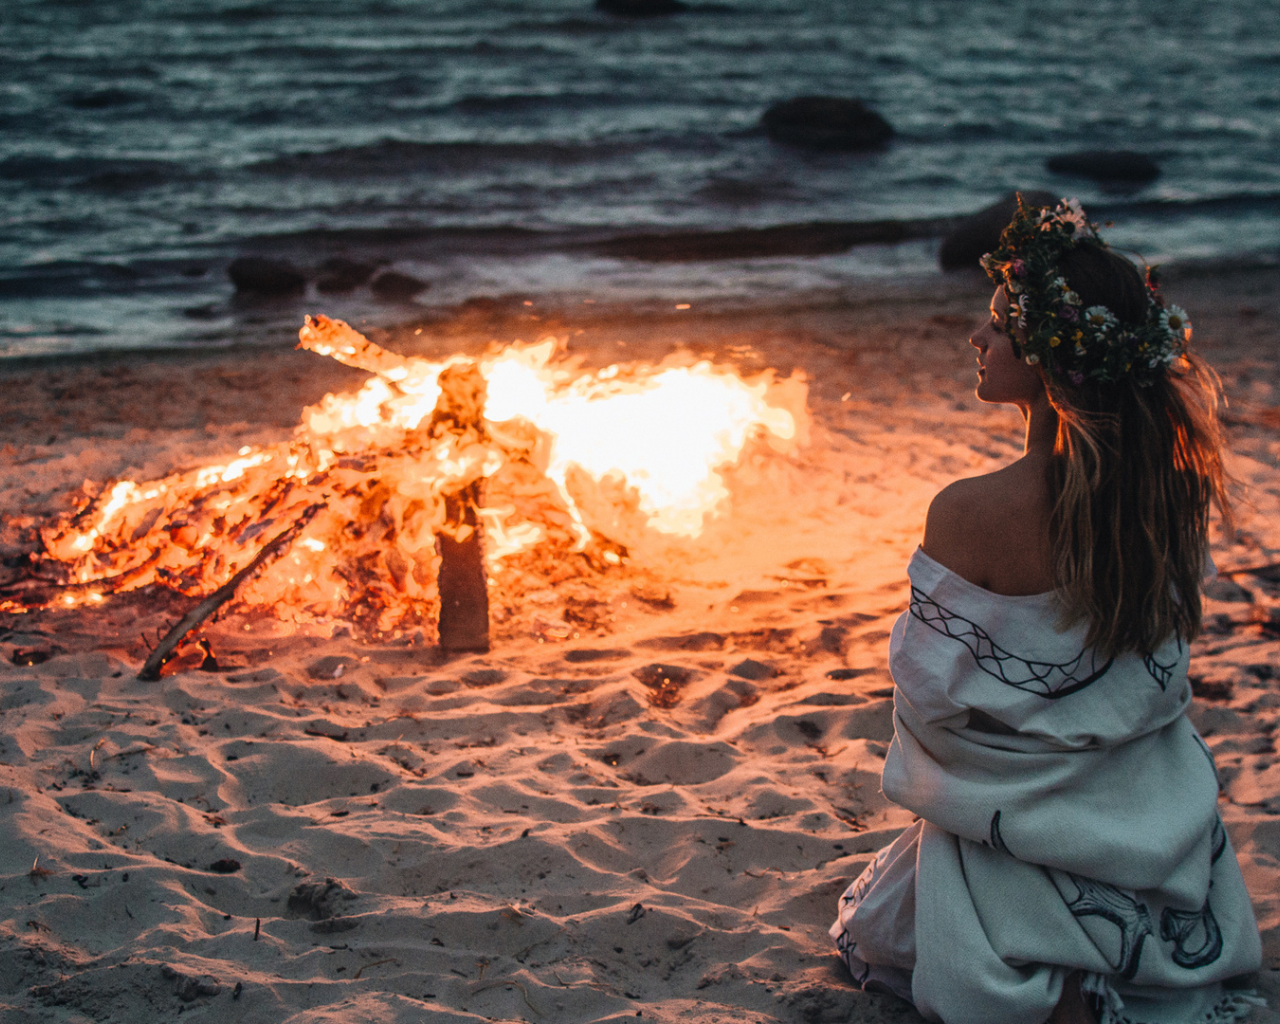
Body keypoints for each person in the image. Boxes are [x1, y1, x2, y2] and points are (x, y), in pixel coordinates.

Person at [829, 197, 1264, 1024]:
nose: (978, 339)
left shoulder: (968, 511)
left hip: (1016, 806)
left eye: (997, 324)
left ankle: (1051, 953)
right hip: (1144, 800)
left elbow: (930, 714)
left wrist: (1006, 766)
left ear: (1049, 356)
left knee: (883, 915)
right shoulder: (1166, 498)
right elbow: (1157, 687)